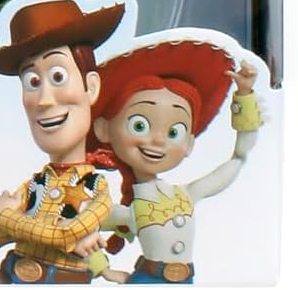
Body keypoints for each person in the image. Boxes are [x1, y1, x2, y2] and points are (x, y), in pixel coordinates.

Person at [0, 0, 126, 284]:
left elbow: (63, 235)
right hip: (13, 275)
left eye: (58, 76)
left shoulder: (96, 188)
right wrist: (1, 217)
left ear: (91, 86)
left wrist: (5, 216)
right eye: (32, 82)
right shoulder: (35, 184)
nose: (44, 100)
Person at [90, 41, 263, 284]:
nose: (159, 140)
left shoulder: (187, 195)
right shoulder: (130, 211)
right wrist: (103, 269)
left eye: (174, 132)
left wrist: (244, 95)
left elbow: (238, 158)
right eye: (140, 125)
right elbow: (74, 229)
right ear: (104, 129)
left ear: (189, 143)